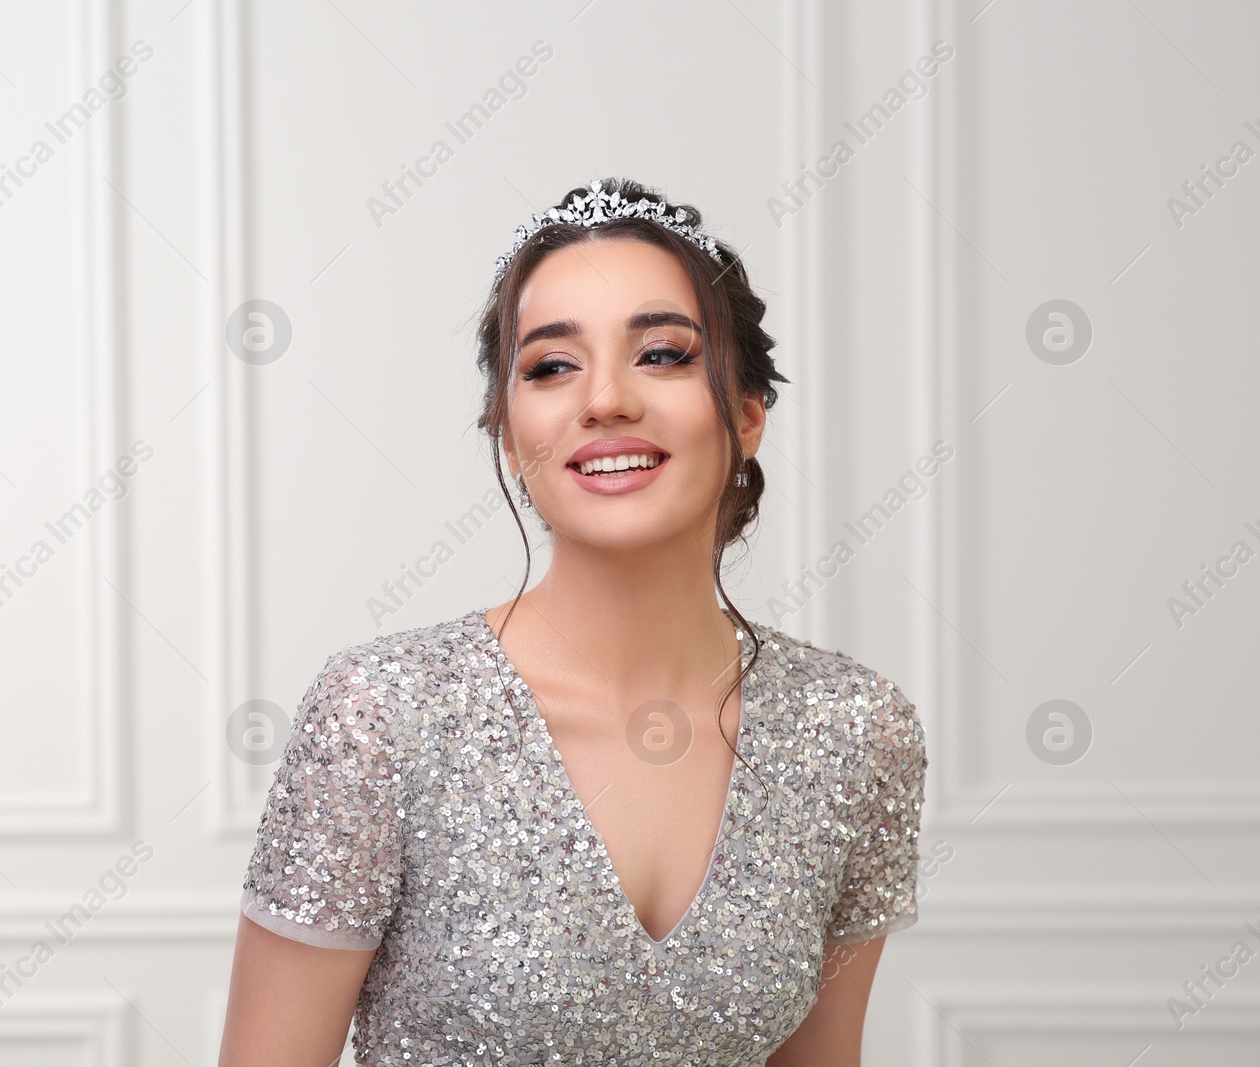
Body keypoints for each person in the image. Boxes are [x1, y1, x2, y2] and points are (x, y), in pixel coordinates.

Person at [220, 177, 927, 1066]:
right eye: (552, 365)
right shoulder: (384, 716)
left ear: (747, 417)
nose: (604, 400)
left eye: (662, 354)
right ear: (511, 438)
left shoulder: (857, 732)